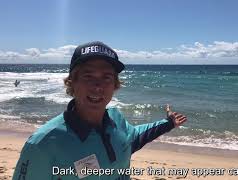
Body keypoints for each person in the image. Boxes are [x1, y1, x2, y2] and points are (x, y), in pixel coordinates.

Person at [12, 41, 187, 180]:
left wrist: (169, 123)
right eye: (88, 76)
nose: (98, 86)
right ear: (72, 82)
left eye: (106, 77)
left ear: (115, 85)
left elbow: (133, 138)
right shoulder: (43, 144)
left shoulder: (116, 120)